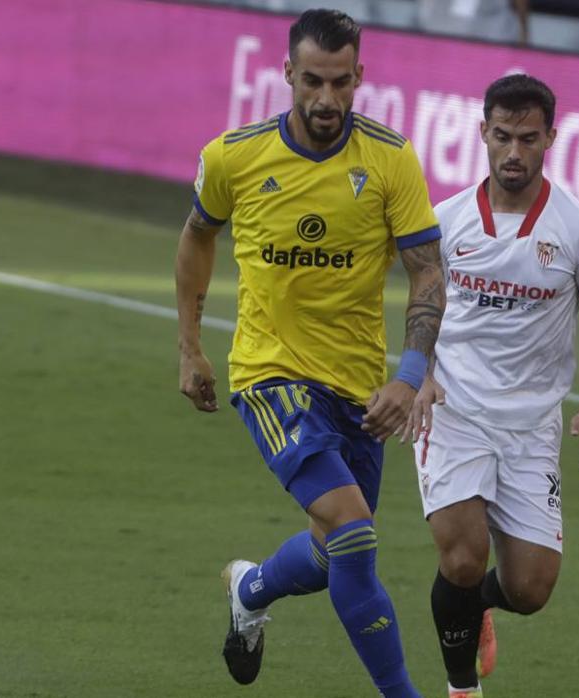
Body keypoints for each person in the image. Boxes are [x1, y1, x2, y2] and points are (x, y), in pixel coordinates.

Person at [173, 9, 446, 697]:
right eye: (314, 82)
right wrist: (190, 347)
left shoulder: (390, 159)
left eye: (342, 83)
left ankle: (251, 589)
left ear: (361, 78)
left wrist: (409, 375)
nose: (327, 100)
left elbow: (427, 271)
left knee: (333, 554)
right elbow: (198, 236)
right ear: (287, 74)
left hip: (361, 389)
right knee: (354, 531)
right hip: (270, 375)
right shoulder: (233, 156)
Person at [404, 74, 579, 698]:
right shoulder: (445, 221)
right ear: (481, 132)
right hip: (453, 410)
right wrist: (416, 375)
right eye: (501, 136)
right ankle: (460, 689)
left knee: (530, 589)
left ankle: (474, 607)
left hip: (532, 426)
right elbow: (420, 304)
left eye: (528, 139)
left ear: (551, 138)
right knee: (462, 556)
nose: (513, 152)